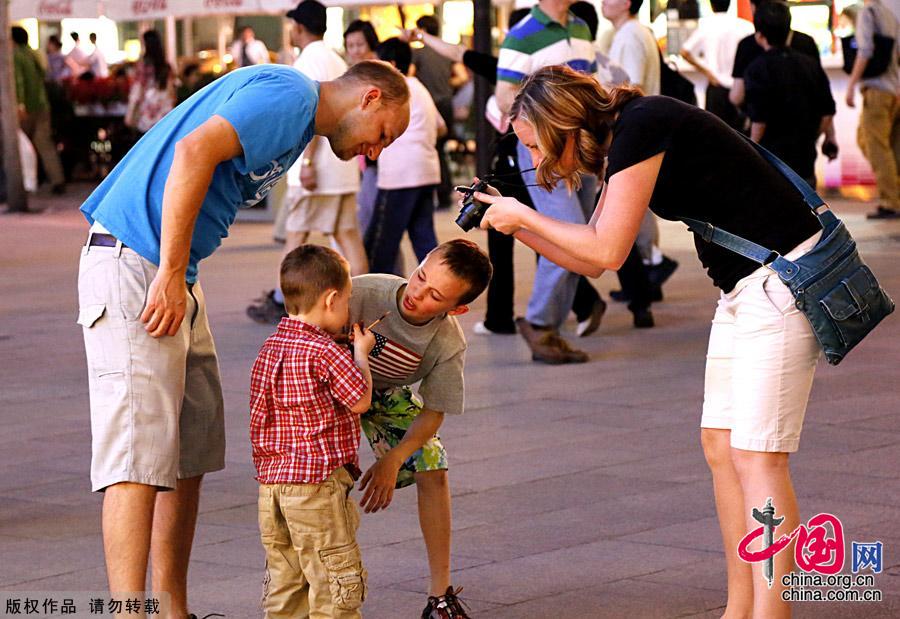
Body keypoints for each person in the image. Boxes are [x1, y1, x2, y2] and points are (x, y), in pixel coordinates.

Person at [473, 65, 826, 618]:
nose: (537, 161)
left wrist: (521, 214)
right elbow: (592, 259)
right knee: (721, 447)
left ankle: (772, 613)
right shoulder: (626, 137)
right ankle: (740, 607)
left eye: (535, 145)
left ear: (563, 122)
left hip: (783, 279)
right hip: (746, 287)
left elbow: (606, 250)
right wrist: (520, 226)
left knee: (758, 459)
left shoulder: (641, 124)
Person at [76, 56, 409, 616]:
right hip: (141, 264)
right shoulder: (292, 97)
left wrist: (178, 274)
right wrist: (168, 273)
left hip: (173, 272)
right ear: (369, 97)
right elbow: (193, 152)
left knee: (189, 450)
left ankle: (171, 608)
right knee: (136, 457)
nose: (375, 152)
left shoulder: (299, 116)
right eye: (383, 136)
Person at [349, 239, 492, 619]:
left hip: (384, 393)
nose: (417, 294)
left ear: (456, 309)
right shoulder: (364, 290)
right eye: (420, 276)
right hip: (331, 381)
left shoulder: (447, 341)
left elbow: (434, 411)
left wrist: (395, 458)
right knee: (322, 472)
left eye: (435, 295)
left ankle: (440, 594)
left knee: (433, 466)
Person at [251, 245, 375, 618]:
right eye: (348, 300)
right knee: (333, 585)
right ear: (332, 298)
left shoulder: (270, 347)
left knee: (286, 583)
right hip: (317, 488)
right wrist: (362, 355)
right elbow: (359, 400)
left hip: (272, 490)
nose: (349, 309)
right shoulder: (325, 350)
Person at [496, 0, 605, 364]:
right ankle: (540, 321)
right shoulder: (522, 34)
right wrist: (543, 135)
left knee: (583, 237)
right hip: (546, 151)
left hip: (580, 148)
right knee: (571, 232)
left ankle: (550, 330)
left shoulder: (581, 27)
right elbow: (503, 98)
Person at [247, 0, 368, 325]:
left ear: (298, 28)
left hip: (319, 170)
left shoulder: (309, 61)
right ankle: (363, 299)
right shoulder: (336, 58)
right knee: (348, 236)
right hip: (342, 167)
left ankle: (282, 300)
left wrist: (308, 163)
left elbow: (312, 114)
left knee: (295, 235)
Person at [365, 38, 445, 274]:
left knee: (381, 244)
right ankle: (440, 289)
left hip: (400, 176)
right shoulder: (419, 88)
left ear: (390, 64)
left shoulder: (394, 90)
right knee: (424, 240)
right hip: (426, 171)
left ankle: (377, 302)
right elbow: (441, 127)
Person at [730, 0, 839, 160]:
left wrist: (751, 149)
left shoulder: (749, 50)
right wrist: (817, 136)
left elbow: (738, 98)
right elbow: (824, 103)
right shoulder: (807, 46)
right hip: (803, 149)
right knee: (803, 184)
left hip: (768, 150)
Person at [846, 0, 900, 219]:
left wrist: (851, 85)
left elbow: (865, 52)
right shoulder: (889, 13)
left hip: (877, 90)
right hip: (893, 89)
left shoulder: (868, 12)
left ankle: (891, 201)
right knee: (890, 147)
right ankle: (895, 195)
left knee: (876, 146)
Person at [411, 15, 468, 210]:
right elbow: (462, 77)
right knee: (440, 149)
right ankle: (443, 195)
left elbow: (408, 76)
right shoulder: (445, 52)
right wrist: (446, 85)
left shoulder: (418, 54)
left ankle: (435, 195)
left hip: (428, 107)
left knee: (429, 149)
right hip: (446, 105)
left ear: (423, 31)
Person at [679, 0, 754, 128]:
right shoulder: (745, 26)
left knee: (717, 136)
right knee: (741, 139)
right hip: (741, 88)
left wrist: (707, 72)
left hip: (716, 88)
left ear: (711, 5)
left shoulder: (706, 26)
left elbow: (685, 52)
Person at [12, 26, 66, 195]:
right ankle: (57, 180)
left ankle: (25, 183)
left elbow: (18, 82)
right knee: (45, 144)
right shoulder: (34, 54)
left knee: (20, 147)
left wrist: (20, 104)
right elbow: (43, 76)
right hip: (42, 105)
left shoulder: (15, 56)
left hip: (26, 108)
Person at [343, 20, 382, 237]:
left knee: (372, 225)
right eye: (350, 45)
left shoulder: (378, 74)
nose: (355, 50)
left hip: (378, 159)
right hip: (364, 160)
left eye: (359, 44)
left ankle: (381, 271)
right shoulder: (356, 75)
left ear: (371, 45)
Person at [124, 30, 176, 135]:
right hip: (164, 110)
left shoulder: (144, 65)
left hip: (147, 111)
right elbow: (171, 92)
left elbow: (138, 90)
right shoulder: (166, 66)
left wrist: (132, 113)